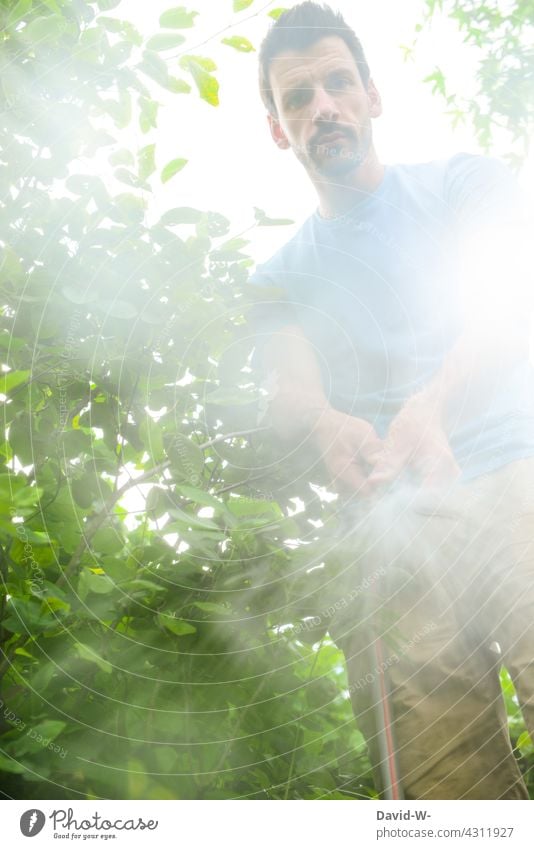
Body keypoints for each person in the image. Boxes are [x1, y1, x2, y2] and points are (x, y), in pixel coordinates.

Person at [247, 1, 534, 800]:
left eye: (338, 83)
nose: (323, 107)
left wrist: (431, 405)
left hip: (520, 482)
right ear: (278, 128)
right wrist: (324, 420)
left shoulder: (463, 182)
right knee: (450, 800)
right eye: (298, 98)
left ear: (374, 96)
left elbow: (512, 307)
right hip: (392, 538)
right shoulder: (277, 278)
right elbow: (290, 383)